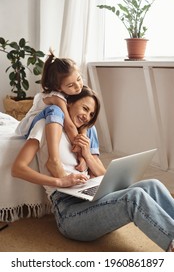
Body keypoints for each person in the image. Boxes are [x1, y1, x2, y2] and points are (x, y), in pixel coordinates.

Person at [12, 86, 174, 252]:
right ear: (69, 103)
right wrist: (60, 181)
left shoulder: (86, 133)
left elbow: (104, 175)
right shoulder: (47, 125)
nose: (86, 117)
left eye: (91, 114)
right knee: (134, 197)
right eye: (85, 108)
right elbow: (18, 169)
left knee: (153, 184)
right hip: (69, 213)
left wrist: (87, 155)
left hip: (93, 199)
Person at [15, 51, 88, 177]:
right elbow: (69, 125)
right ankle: (53, 160)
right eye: (71, 85)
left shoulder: (73, 92)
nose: (78, 86)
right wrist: (79, 152)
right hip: (31, 124)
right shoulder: (57, 97)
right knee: (56, 110)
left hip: (51, 118)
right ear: (58, 87)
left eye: (79, 79)